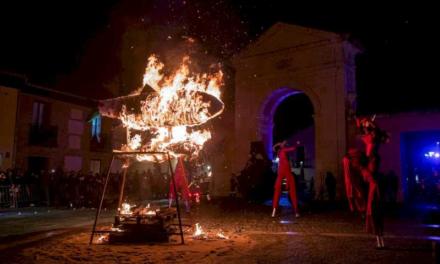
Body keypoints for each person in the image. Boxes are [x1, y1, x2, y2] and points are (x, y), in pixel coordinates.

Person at [271, 140, 299, 218]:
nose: (284, 143)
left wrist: (279, 144)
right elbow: (292, 148)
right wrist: (279, 143)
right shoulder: (281, 151)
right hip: (283, 171)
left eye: (284, 143)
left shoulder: (281, 151)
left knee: (289, 190)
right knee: (279, 190)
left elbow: (274, 148)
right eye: (283, 142)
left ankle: (296, 211)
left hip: (284, 171)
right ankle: (274, 210)